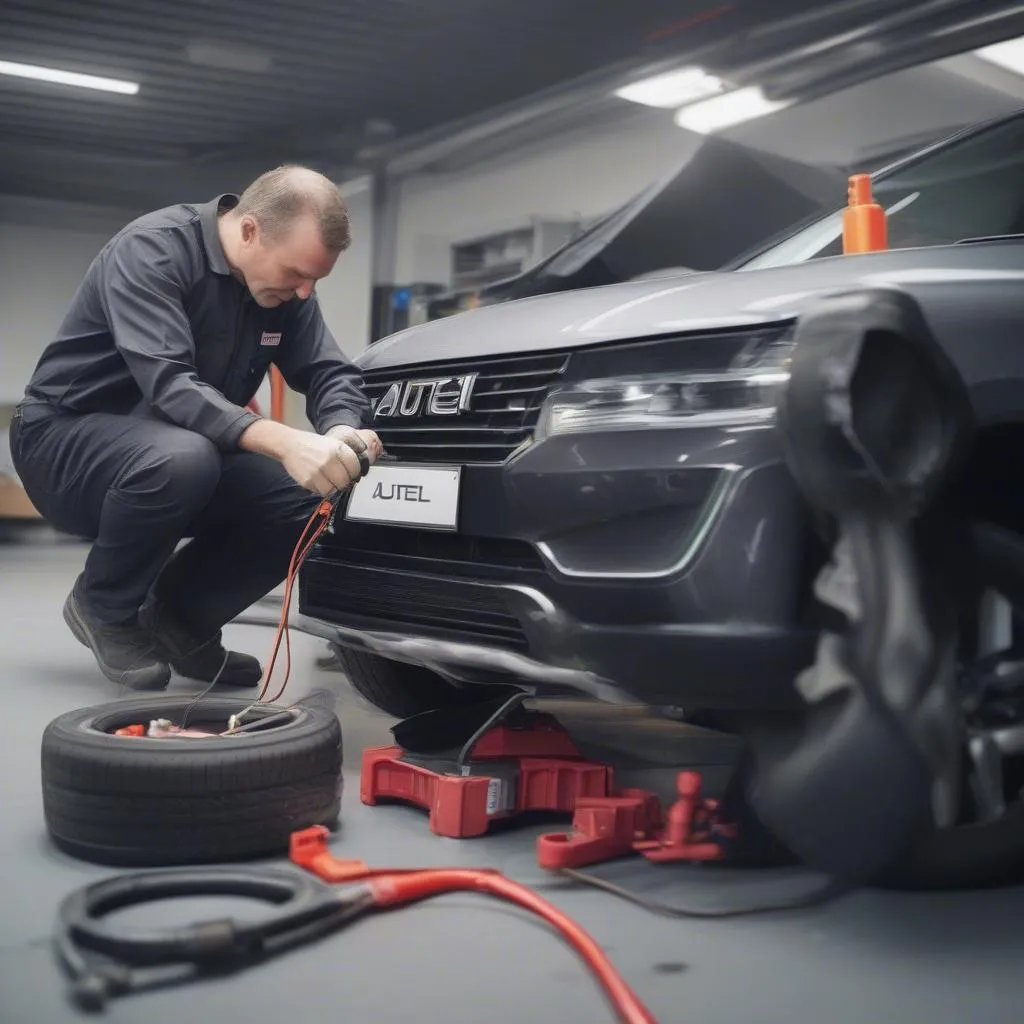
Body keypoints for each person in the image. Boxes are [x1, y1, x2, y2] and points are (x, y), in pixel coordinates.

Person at [8, 165, 383, 692]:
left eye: (314, 281)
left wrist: (341, 429)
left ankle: (179, 622)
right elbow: (169, 385)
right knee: (184, 457)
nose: (303, 293)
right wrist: (284, 439)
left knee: (306, 496)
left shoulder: (283, 290)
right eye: (296, 273)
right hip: (63, 445)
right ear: (250, 230)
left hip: (178, 450)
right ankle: (103, 607)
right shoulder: (153, 251)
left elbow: (327, 370)